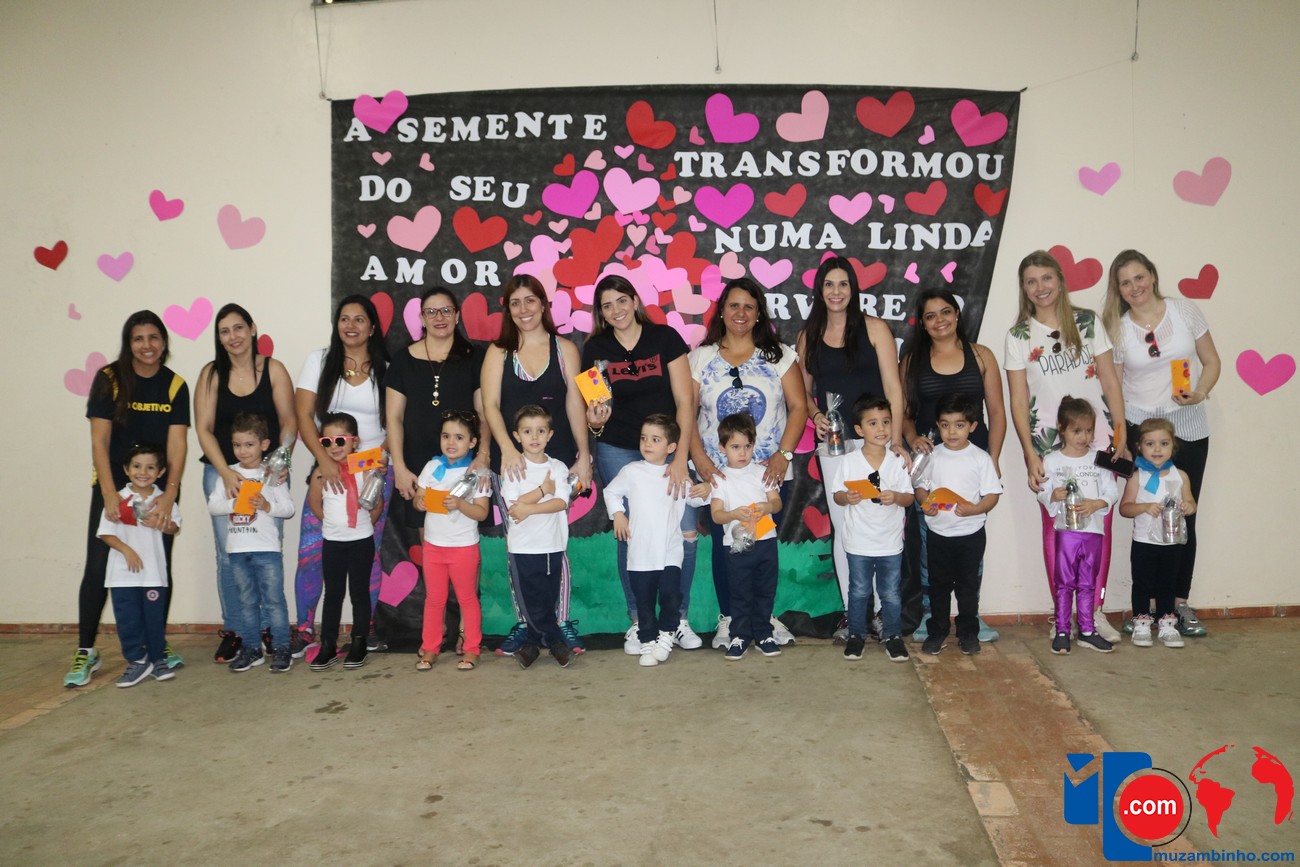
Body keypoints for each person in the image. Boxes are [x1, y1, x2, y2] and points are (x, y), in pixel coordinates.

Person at [65, 311, 190, 688]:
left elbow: (178, 445)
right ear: (128, 342)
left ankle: (155, 645)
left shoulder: (175, 385)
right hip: (113, 488)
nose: (147, 345)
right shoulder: (109, 379)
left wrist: (169, 494)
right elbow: (99, 441)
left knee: (158, 568)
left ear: (164, 342)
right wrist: (109, 494)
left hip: (158, 492)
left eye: (154, 337)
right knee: (98, 567)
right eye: (139, 338)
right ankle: (86, 650)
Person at [1005, 251, 1125, 642]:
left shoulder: (1088, 322)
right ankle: (1063, 615)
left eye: (1046, 278)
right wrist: (1029, 453)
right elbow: (1018, 400)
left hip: (1098, 440)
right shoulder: (1018, 336)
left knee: (1098, 527)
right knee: (1056, 530)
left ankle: (1094, 612)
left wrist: (1121, 431)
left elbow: (1110, 381)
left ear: (1059, 280)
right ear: (1024, 288)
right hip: (1047, 443)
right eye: (1031, 281)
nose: (1040, 287)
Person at [1103, 249, 1220, 637]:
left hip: (1189, 430)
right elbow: (1114, 388)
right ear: (1118, 290)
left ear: (1152, 275)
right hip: (1143, 434)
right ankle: (1148, 608)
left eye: (1139, 277)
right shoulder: (1118, 328)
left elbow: (1212, 361)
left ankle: (1179, 605)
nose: (1134, 287)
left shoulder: (1185, 310)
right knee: (1146, 515)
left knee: (1185, 514)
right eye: (1125, 282)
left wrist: (1199, 392)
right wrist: (1122, 437)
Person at [582, 274, 699, 655]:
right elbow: (595, 412)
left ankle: (676, 619)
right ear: (601, 313)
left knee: (685, 530)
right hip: (618, 449)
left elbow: (685, 401)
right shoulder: (595, 348)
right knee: (629, 532)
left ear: (634, 301)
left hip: (667, 451)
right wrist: (594, 421)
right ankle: (639, 621)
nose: (615, 310)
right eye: (606, 306)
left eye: (621, 300)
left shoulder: (664, 338)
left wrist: (679, 457)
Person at [689, 277, 808, 649]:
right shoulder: (701, 358)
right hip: (718, 475)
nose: (740, 313)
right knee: (726, 548)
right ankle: (730, 619)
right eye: (734, 305)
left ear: (759, 315)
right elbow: (686, 412)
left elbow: (799, 407)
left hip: (768, 474)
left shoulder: (779, 356)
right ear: (722, 311)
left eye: (749, 307)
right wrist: (700, 459)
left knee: (763, 547)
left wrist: (783, 455)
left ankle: (761, 618)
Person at [796, 257, 905, 643]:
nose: (836, 291)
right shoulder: (808, 336)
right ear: (820, 290)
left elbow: (893, 389)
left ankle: (882, 613)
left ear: (853, 289)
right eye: (829, 284)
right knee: (846, 529)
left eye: (843, 284)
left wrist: (895, 440)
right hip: (835, 448)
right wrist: (816, 416)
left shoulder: (875, 329)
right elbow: (803, 392)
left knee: (882, 523)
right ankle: (854, 613)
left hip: (877, 443)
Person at [481, 274, 590, 654]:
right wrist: (506, 449)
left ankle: (560, 621)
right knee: (520, 541)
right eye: (515, 303)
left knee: (555, 539)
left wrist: (584, 455)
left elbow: (576, 403)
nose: (523, 309)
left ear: (543, 304)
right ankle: (526, 622)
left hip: (556, 463)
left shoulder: (565, 349)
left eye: (530, 300)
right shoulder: (498, 352)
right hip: (511, 464)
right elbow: (490, 405)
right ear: (508, 310)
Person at [901, 288, 1007, 643]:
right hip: (932, 464)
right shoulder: (912, 360)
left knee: (970, 541)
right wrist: (913, 437)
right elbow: (905, 414)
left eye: (945, 312)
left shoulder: (981, 356)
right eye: (930, 316)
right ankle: (930, 615)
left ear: (957, 315)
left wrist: (993, 458)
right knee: (930, 543)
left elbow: (997, 412)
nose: (939, 321)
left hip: (973, 461)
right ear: (922, 323)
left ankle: (969, 618)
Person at [194, 303, 297, 664]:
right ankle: (237, 630)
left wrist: (280, 460)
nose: (233, 337)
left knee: (267, 552)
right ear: (219, 338)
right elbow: (203, 429)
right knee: (229, 556)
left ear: (252, 329)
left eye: (238, 328)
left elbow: (289, 421)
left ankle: (268, 629)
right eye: (224, 331)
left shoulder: (274, 369)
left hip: (267, 476)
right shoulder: (211, 374)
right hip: (222, 473)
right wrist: (225, 473)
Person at [293, 294, 391, 658]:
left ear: (372, 327)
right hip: (329, 468)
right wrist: (324, 462)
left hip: (372, 473)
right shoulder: (319, 361)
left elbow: (395, 422)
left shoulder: (386, 368)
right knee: (311, 553)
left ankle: (365, 629)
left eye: (359, 319)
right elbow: (304, 416)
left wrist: (383, 464)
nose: (351, 325)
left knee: (369, 553)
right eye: (344, 319)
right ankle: (305, 629)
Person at [602, 414, 712, 668]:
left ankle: (666, 636)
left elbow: (697, 498)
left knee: (671, 597)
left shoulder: (677, 474)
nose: (647, 444)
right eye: (644, 438)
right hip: (640, 555)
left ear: (671, 447)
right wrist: (618, 514)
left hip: (670, 553)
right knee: (644, 603)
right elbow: (611, 492)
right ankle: (648, 642)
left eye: (655, 439)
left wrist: (706, 489)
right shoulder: (631, 471)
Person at [206, 412, 296, 673]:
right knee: (246, 602)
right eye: (237, 445)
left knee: (274, 601)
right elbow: (213, 506)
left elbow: (288, 508)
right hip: (237, 551)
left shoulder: (272, 474)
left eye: (249, 444)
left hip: (267, 550)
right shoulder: (228, 475)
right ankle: (251, 648)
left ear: (264, 445)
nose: (242, 451)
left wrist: (267, 506)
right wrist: (234, 503)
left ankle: (281, 647)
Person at [915, 394, 1002, 656]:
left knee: (967, 588)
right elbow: (920, 487)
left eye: (959, 425)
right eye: (945, 425)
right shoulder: (932, 456)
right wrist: (925, 503)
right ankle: (937, 631)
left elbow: (992, 495)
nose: (951, 432)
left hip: (970, 534)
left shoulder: (980, 458)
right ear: (938, 426)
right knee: (938, 587)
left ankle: (967, 633)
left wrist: (975, 509)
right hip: (938, 534)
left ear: (972, 426)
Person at [828, 395, 914, 663]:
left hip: (889, 541)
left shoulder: (897, 460)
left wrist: (896, 497)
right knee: (859, 591)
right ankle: (856, 635)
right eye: (873, 423)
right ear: (859, 429)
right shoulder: (850, 461)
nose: (881, 429)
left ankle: (893, 635)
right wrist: (848, 497)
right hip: (858, 541)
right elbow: (837, 495)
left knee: (890, 593)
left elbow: (909, 498)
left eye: (886, 422)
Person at [1036, 398, 1119, 655]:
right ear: (1062, 429)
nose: (1084, 437)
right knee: (1064, 583)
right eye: (1077, 431)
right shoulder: (1051, 460)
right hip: (1066, 533)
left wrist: (1097, 503)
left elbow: (1111, 491)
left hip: (1093, 532)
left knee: (1087, 583)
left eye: (1088, 431)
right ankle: (1062, 630)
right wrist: (1052, 495)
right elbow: (1042, 491)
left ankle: (1087, 630)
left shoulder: (1100, 460)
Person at [96, 443, 182, 688]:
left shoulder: (163, 501)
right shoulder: (117, 499)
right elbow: (105, 533)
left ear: (160, 472)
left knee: (153, 620)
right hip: (122, 576)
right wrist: (127, 550)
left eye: (150, 467)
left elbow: (174, 527)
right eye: (136, 466)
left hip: (153, 575)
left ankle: (158, 660)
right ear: (126, 469)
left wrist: (161, 524)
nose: (143, 472)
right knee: (128, 620)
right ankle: (137, 660)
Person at [412, 410, 490, 672]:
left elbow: (482, 512)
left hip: (463, 547)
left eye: (459, 437)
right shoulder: (431, 466)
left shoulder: (478, 473)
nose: (451, 442)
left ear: (473, 442)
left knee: (467, 599)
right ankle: (430, 648)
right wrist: (419, 502)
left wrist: (459, 504)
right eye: (446, 436)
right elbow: (418, 496)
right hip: (433, 546)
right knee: (434, 599)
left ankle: (472, 649)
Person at [498, 405, 575, 669]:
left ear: (550, 434)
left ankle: (532, 643)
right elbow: (513, 507)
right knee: (530, 600)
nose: (534, 437)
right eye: (527, 431)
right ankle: (554, 641)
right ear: (516, 436)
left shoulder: (558, 467)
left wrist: (529, 507)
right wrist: (543, 489)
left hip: (552, 544)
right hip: (523, 547)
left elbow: (561, 503)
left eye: (541, 431)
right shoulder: (512, 467)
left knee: (548, 597)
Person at [307, 413, 384, 671]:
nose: (334, 446)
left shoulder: (366, 468)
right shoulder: (321, 472)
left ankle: (359, 642)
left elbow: (377, 504)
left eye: (340, 440)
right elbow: (315, 504)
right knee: (333, 595)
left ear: (355, 441)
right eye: (326, 441)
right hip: (333, 543)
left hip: (361, 542)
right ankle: (328, 644)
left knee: (359, 593)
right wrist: (332, 524)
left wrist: (363, 525)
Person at [708, 413, 784, 661]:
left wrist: (767, 507)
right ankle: (739, 635)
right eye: (735, 447)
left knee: (765, 590)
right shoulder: (719, 479)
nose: (742, 453)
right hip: (736, 546)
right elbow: (716, 515)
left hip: (766, 541)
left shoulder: (763, 473)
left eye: (747, 446)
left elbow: (777, 503)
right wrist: (732, 514)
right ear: (722, 448)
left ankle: (764, 634)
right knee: (740, 593)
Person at [1119, 418, 1197, 649]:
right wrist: (1143, 507)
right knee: (1142, 584)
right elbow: (1125, 508)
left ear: (1173, 445)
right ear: (1139, 447)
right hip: (1144, 542)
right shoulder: (1137, 476)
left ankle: (1167, 624)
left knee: (1168, 584)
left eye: (1164, 443)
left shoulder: (1181, 476)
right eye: (1150, 443)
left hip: (1172, 542)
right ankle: (1142, 623)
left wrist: (1188, 506)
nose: (1157, 449)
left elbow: (1192, 503)